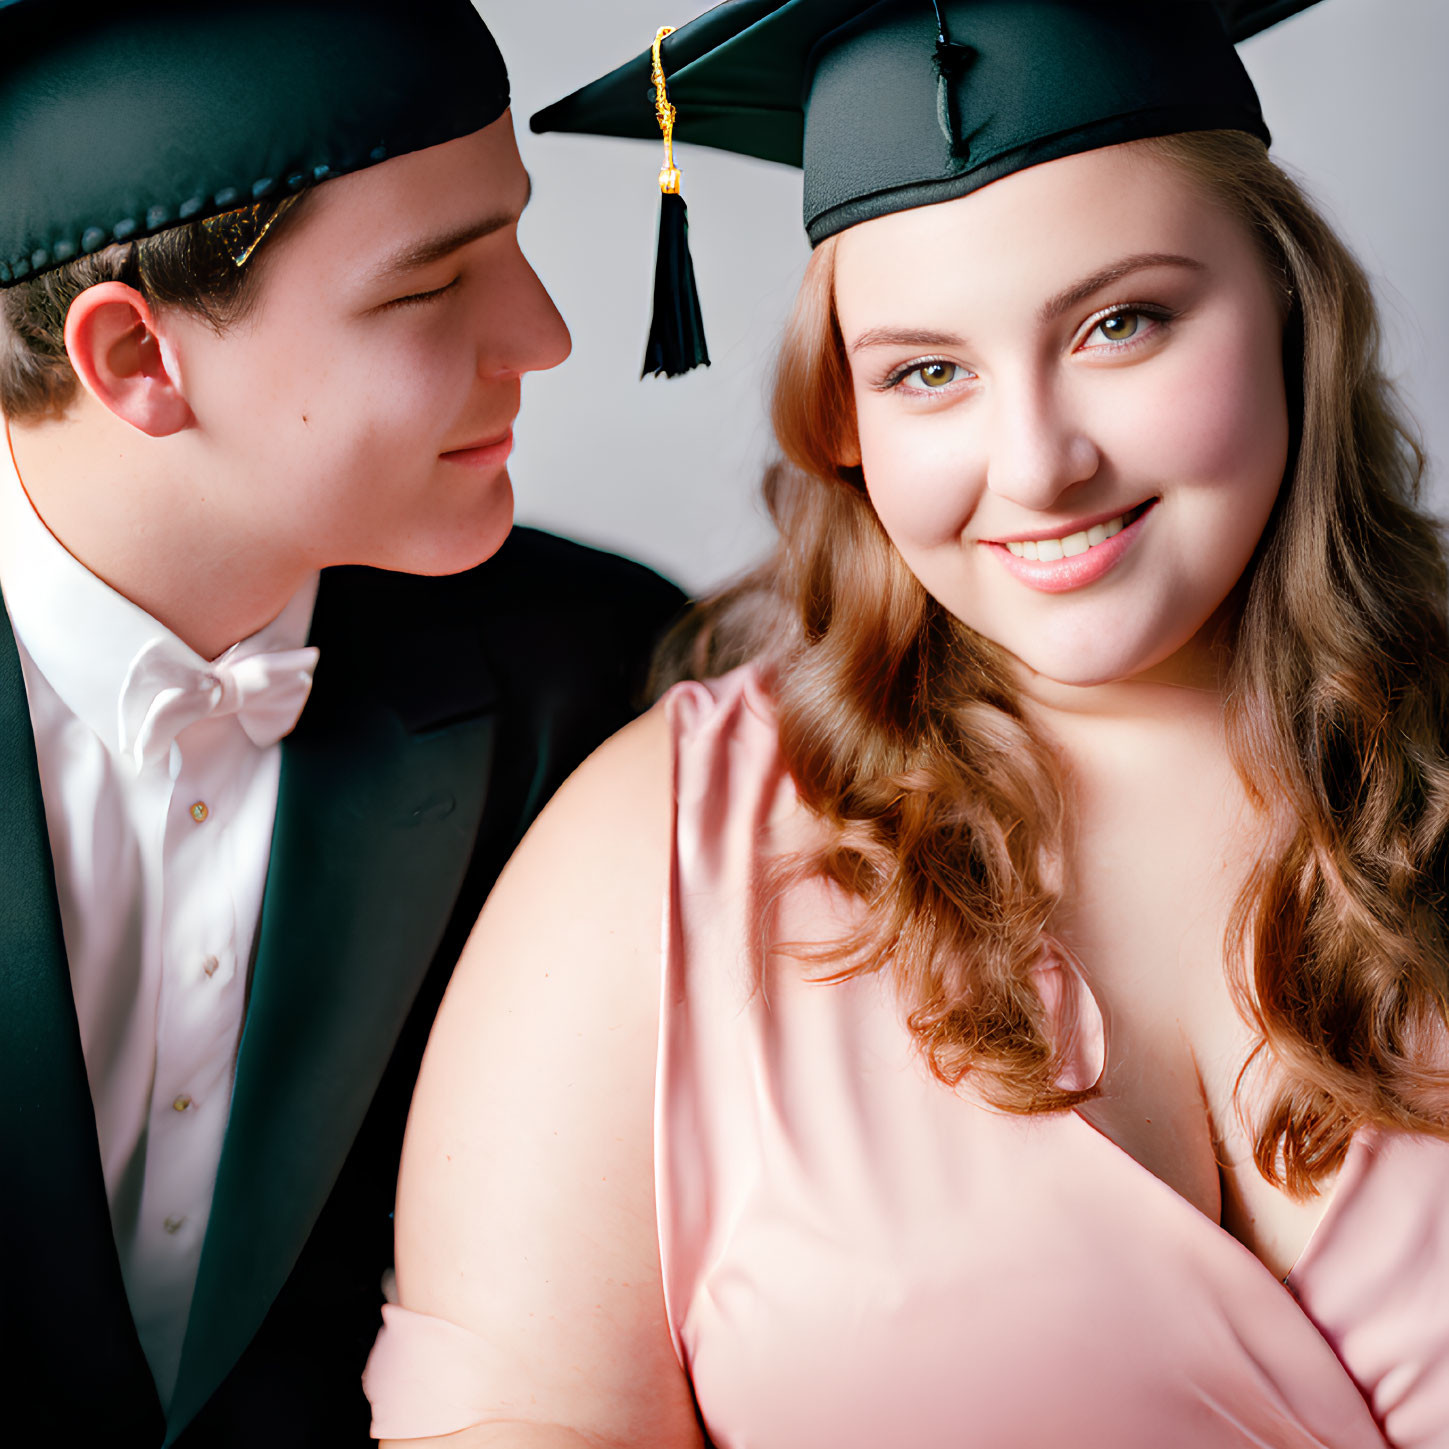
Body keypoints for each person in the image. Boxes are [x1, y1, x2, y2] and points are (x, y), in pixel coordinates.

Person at [367, 1, 1449, 1446]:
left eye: (1121, 322)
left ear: (1291, 313)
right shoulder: (654, 866)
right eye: (926, 371)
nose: (1038, 464)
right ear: (845, 420)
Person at [0, 1, 684, 1443]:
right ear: (136, 359)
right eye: (432, 288)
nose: (547, 334)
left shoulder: (598, 676)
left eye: (512, 239)